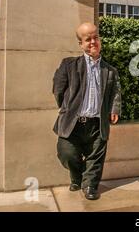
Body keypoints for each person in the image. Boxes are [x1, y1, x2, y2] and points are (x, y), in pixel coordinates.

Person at [52, 22, 121, 200]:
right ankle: (77, 176)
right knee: (66, 153)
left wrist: (114, 109)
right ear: (81, 44)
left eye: (95, 37)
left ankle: (90, 186)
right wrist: (68, 108)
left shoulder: (110, 70)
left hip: (97, 123)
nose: (92, 42)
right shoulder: (69, 65)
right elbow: (58, 90)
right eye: (87, 39)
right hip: (73, 122)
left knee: (95, 158)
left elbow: (115, 92)